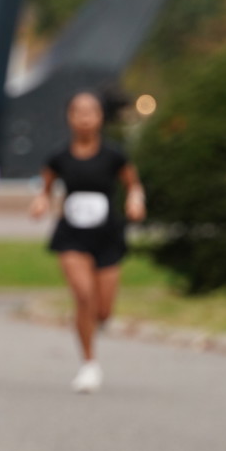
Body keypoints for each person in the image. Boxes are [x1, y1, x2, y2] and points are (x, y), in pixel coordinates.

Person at [29, 91, 146, 393]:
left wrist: (135, 201)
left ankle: (95, 327)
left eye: (90, 111)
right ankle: (89, 363)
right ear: (69, 117)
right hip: (72, 235)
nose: (84, 118)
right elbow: (45, 189)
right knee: (83, 295)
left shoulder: (114, 156)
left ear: (100, 117)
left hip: (107, 235)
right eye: (78, 112)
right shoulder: (59, 157)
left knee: (102, 310)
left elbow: (133, 185)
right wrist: (41, 202)